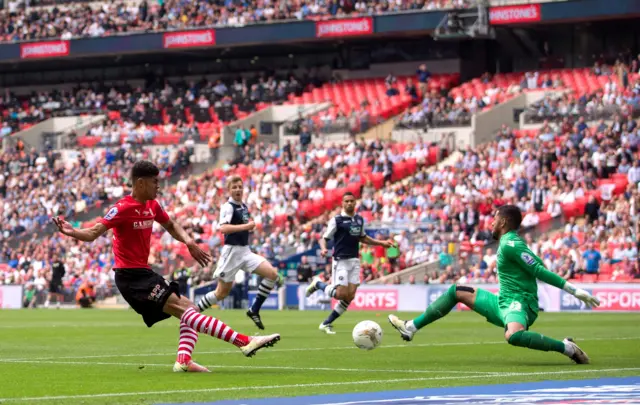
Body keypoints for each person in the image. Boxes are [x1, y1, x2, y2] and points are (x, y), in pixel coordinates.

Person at [53, 161, 280, 373]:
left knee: (189, 307)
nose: (158, 186)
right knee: (186, 311)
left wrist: (189, 242)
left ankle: (183, 360)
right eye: (155, 182)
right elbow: (93, 232)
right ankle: (244, 342)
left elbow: (170, 224)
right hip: (130, 278)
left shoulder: (152, 205)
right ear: (140, 183)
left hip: (143, 273)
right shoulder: (122, 208)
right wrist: (72, 231)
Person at [388, 205, 600, 364]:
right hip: (502, 301)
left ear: (504, 222)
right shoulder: (508, 243)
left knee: (514, 336)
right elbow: (537, 263)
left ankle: (567, 348)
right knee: (457, 291)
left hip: (520, 303)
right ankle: (411, 327)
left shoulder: (511, 244)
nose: (491, 223)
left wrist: (574, 290)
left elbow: (539, 269)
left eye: (494, 219)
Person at [197, 175, 280, 330]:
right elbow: (223, 228)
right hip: (232, 253)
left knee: (272, 274)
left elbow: (244, 225)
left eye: (240, 187)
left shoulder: (244, 206)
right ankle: (193, 313)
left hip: (245, 251)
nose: (238, 190)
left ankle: (254, 310)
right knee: (221, 293)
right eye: (234, 187)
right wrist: (246, 227)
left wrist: (248, 226)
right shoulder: (228, 207)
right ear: (229, 190)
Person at [305, 192, 395, 334]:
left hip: (354, 260)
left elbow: (363, 238)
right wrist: (323, 248)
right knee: (340, 294)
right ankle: (318, 284)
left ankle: (326, 323)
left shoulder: (359, 220)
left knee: (350, 296)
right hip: (341, 260)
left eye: (351, 201)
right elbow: (324, 238)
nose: (349, 203)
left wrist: (381, 243)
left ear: (355, 203)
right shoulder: (337, 220)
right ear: (342, 203)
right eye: (346, 201)